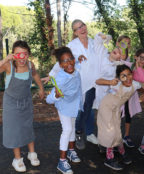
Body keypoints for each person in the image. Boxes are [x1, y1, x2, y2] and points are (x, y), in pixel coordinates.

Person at [42, 19, 111, 149]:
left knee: (91, 109)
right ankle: (78, 133)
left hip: (96, 81)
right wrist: (51, 75)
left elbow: (106, 45)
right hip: (82, 82)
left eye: (82, 25)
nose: (82, 29)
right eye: (78, 28)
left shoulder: (93, 42)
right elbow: (62, 60)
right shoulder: (72, 45)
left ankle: (90, 133)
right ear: (75, 32)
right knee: (82, 110)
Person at [0, 40, 44, 172]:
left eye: (24, 54)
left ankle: (32, 153)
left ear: (28, 54)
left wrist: (41, 88)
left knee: (28, 126)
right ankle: (17, 159)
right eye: (18, 55)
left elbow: (35, 75)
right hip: (11, 103)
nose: (21, 58)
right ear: (13, 55)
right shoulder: (9, 66)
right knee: (14, 129)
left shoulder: (30, 65)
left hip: (26, 101)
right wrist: (5, 59)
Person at [97, 65, 141, 170]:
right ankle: (109, 158)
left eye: (129, 74)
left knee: (117, 131)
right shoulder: (116, 85)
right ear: (119, 78)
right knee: (110, 132)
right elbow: (98, 81)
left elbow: (142, 87)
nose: (128, 78)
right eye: (124, 76)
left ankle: (121, 151)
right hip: (106, 107)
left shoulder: (135, 84)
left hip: (116, 109)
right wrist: (110, 82)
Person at [46, 47, 82, 174]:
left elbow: (76, 61)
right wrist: (56, 95)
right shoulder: (60, 79)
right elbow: (48, 99)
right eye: (65, 61)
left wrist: (79, 59)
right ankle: (62, 161)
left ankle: (71, 151)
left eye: (71, 59)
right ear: (60, 65)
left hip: (73, 105)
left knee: (72, 127)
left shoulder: (75, 71)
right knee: (67, 130)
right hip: (64, 107)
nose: (69, 63)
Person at [117, 35, 142, 148]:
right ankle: (115, 137)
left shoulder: (129, 60)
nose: (126, 44)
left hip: (127, 91)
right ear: (118, 43)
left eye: (128, 43)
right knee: (116, 113)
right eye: (123, 42)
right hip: (116, 91)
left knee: (128, 112)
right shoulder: (112, 56)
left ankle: (126, 136)